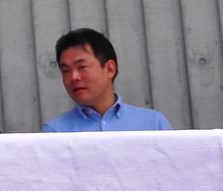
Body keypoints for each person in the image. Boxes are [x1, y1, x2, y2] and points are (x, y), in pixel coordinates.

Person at [42, 28, 171, 132]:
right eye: (66, 71)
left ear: (110, 69)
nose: (74, 77)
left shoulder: (153, 124)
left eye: (82, 67)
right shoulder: (56, 132)